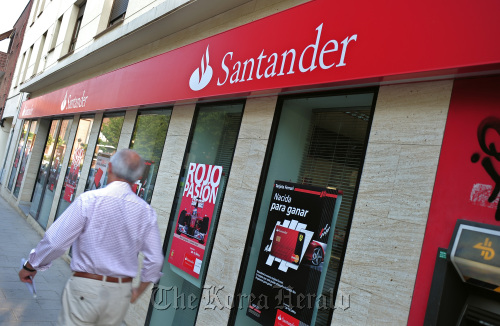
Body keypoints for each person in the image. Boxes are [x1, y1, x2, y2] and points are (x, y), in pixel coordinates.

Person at [19, 149, 164, 326]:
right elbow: (155, 260)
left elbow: (56, 242)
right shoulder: (146, 212)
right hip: (120, 293)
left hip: (85, 288)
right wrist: (138, 291)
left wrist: (31, 265)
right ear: (138, 176)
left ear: (109, 168)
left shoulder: (89, 200)